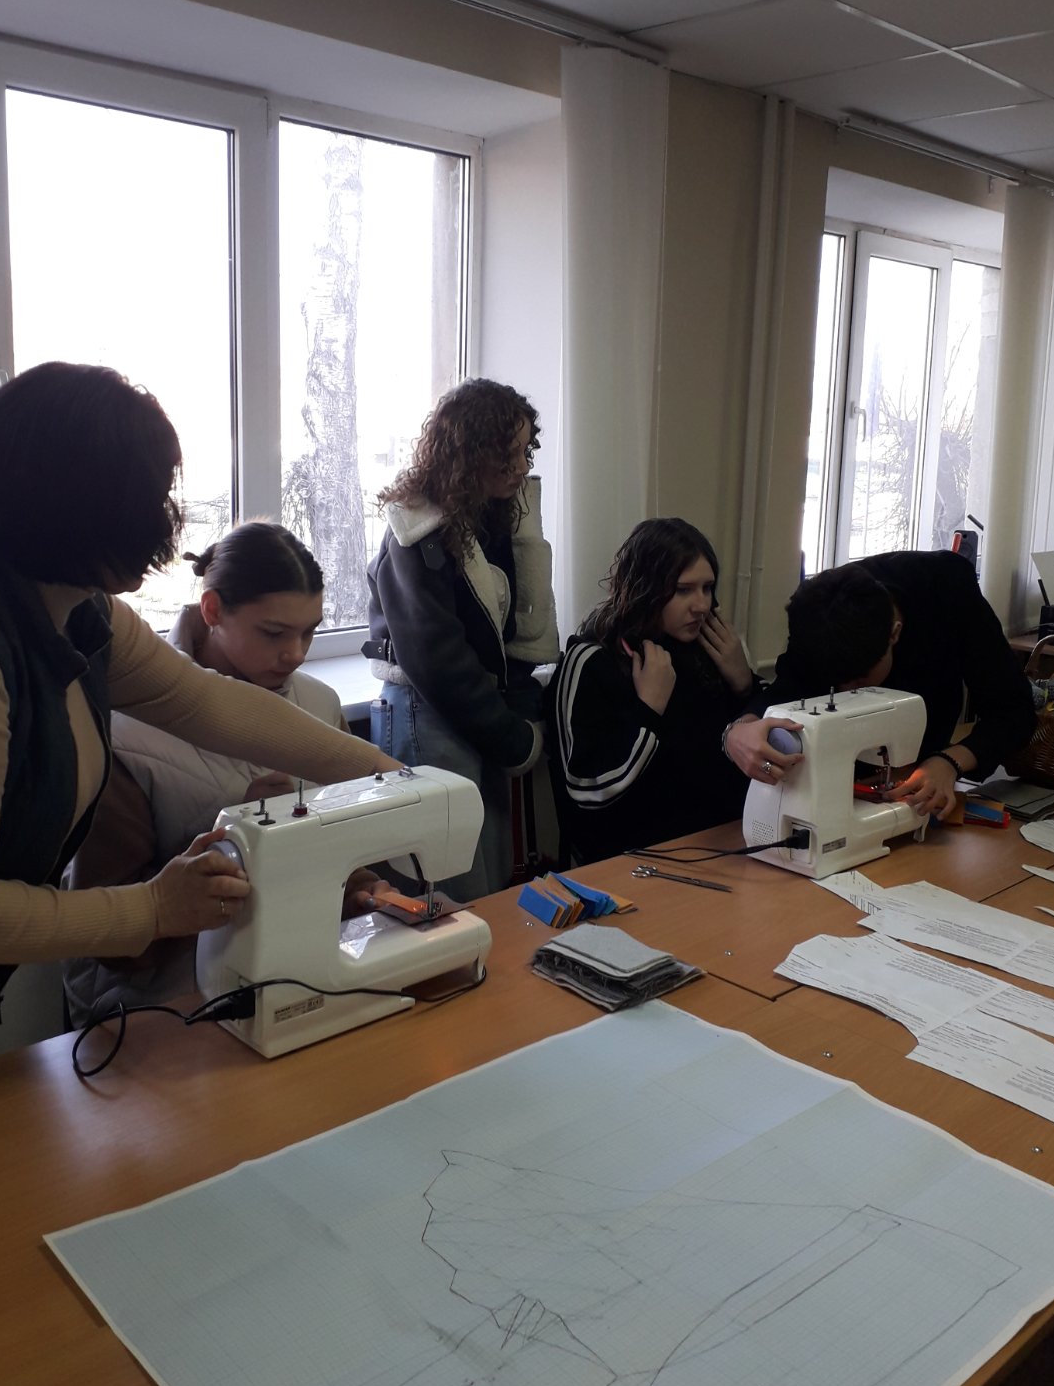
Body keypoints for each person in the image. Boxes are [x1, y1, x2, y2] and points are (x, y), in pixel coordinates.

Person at [0, 363, 397, 1083]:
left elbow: (207, 703)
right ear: (75, 504)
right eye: (153, 498)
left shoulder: (69, 604)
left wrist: (390, 776)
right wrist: (156, 907)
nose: (167, 524)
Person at [63, 522, 394, 1025]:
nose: (296, 653)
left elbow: (338, 846)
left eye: (309, 631)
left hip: (293, 982)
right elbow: (110, 940)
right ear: (212, 610)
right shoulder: (125, 735)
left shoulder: (320, 706)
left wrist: (364, 888)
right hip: (163, 1009)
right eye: (274, 633)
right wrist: (237, 834)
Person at [365, 378, 559, 901]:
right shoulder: (416, 531)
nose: (519, 467)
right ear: (470, 451)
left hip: (466, 714)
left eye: (524, 452)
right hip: (425, 711)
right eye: (506, 453)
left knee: (482, 878)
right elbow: (437, 660)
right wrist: (513, 738)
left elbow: (504, 633)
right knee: (447, 887)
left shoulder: (482, 521)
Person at [724, 550, 1036, 819]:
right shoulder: (818, 614)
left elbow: (1014, 712)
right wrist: (740, 730)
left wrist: (949, 762)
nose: (848, 693)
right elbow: (787, 689)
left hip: (928, 778)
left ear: (894, 634)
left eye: (860, 680)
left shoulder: (948, 590)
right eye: (838, 685)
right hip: (854, 788)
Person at [549, 519, 758, 864]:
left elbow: (736, 757)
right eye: (683, 590)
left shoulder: (710, 649)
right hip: (631, 862)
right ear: (646, 588)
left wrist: (744, 685)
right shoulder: (591, 660)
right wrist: (648, 711)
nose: (701, 605)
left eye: (707, 588)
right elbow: (587, 790)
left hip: (720, 845)